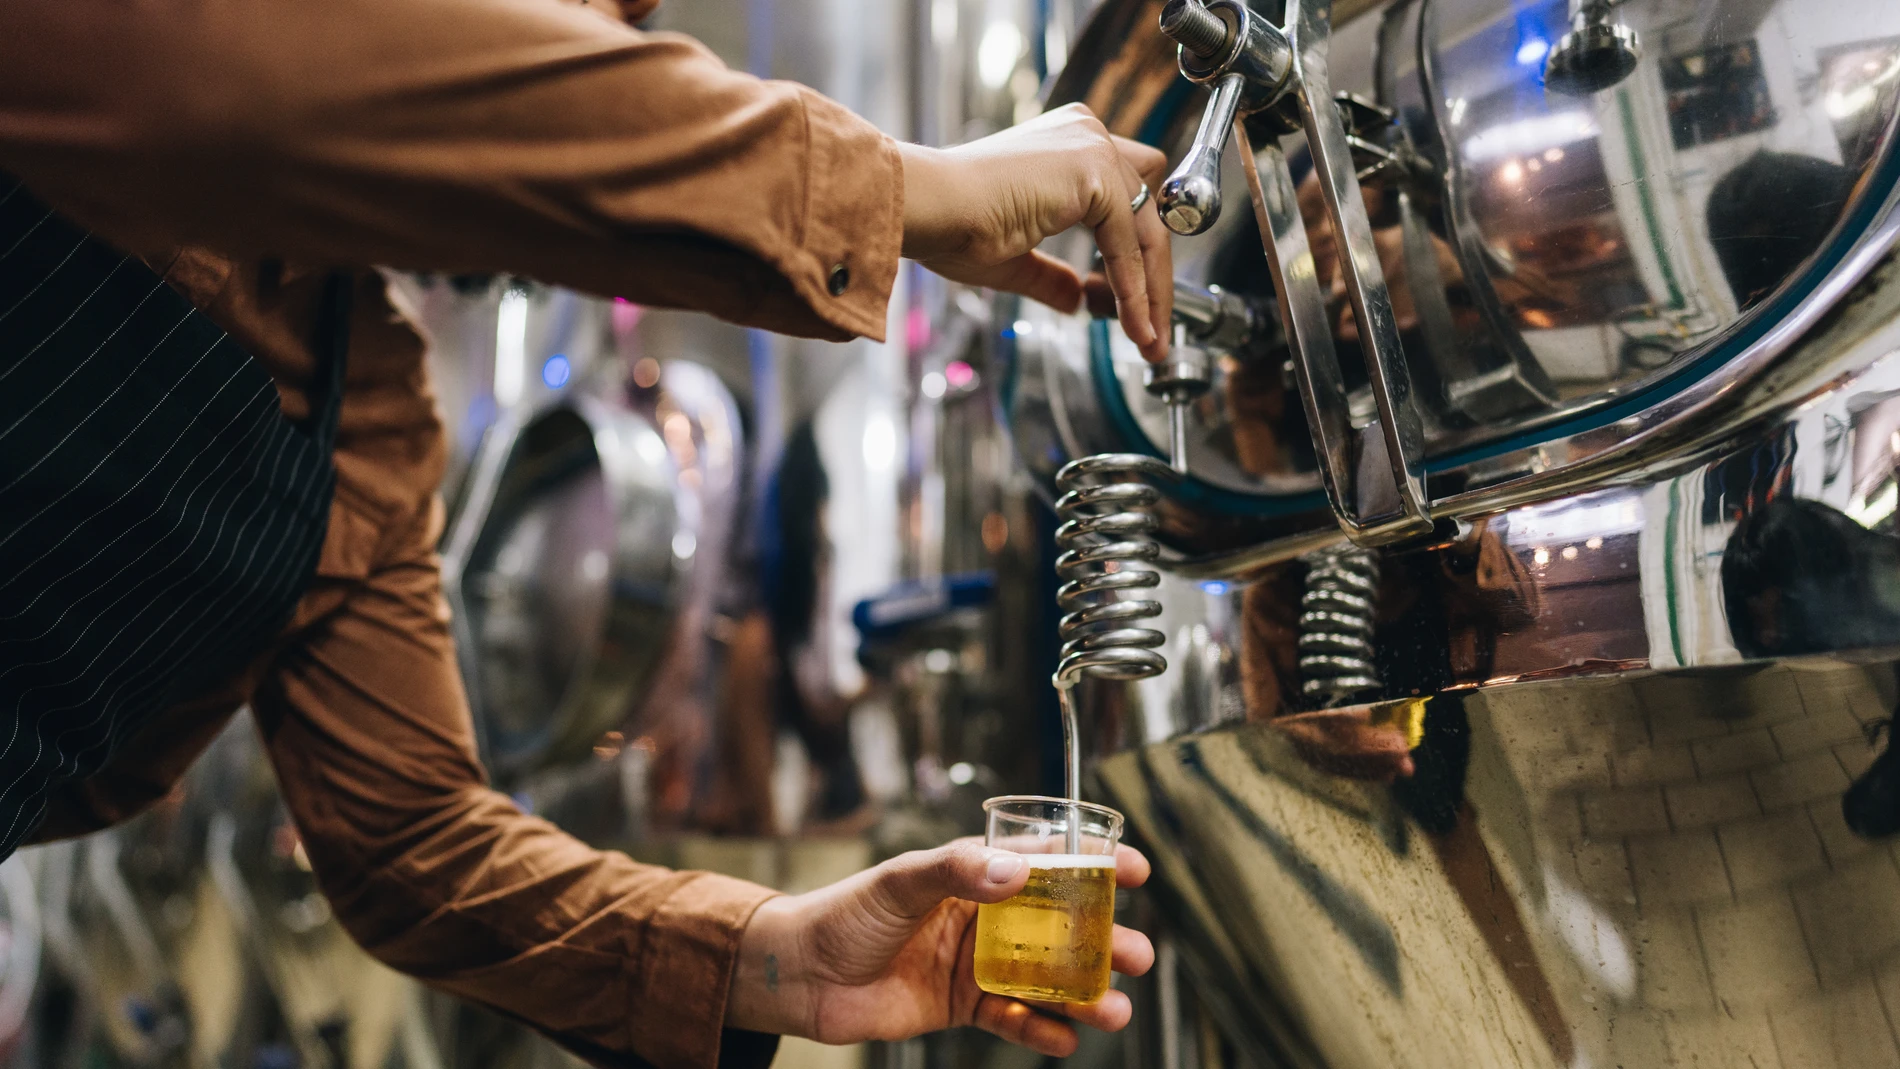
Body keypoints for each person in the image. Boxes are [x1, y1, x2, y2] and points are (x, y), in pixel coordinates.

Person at [0, 0, 1172, 1061]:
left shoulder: (363, 406)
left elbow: (415, 843)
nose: (598, 64)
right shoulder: (149, 67)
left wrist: (775, 956)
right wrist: (903, 193)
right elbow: (236, 82)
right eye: (578, 39)